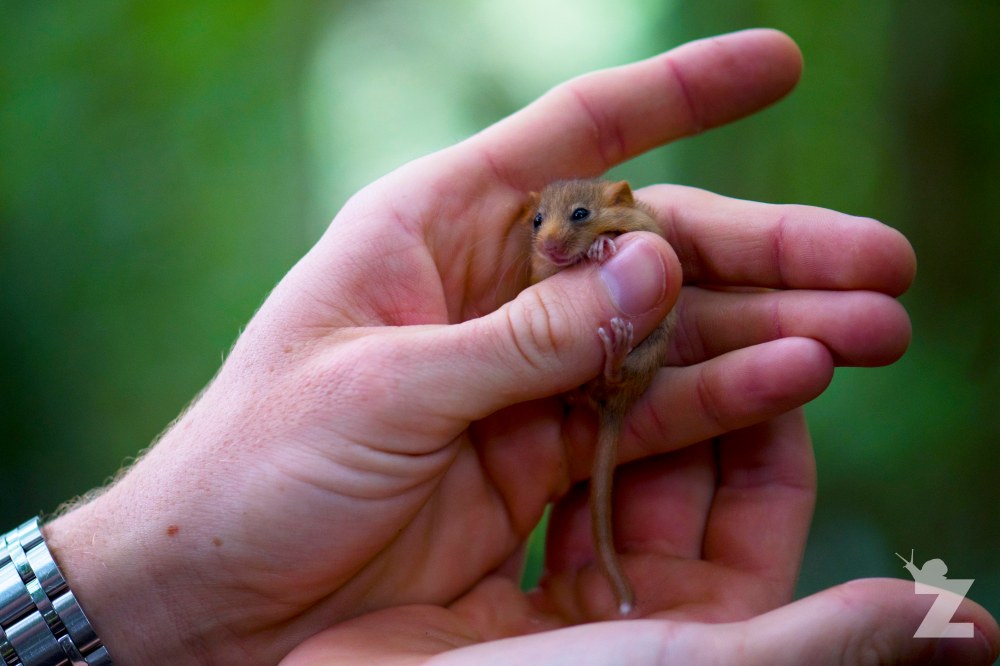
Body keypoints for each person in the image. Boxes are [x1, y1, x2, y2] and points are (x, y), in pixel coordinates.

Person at [20, 29, 996, 664]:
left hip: (632, 370)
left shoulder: (637, 223)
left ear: (612, 210)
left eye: (573, 223)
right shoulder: (549, 261)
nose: (553, 243)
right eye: (543, 227)